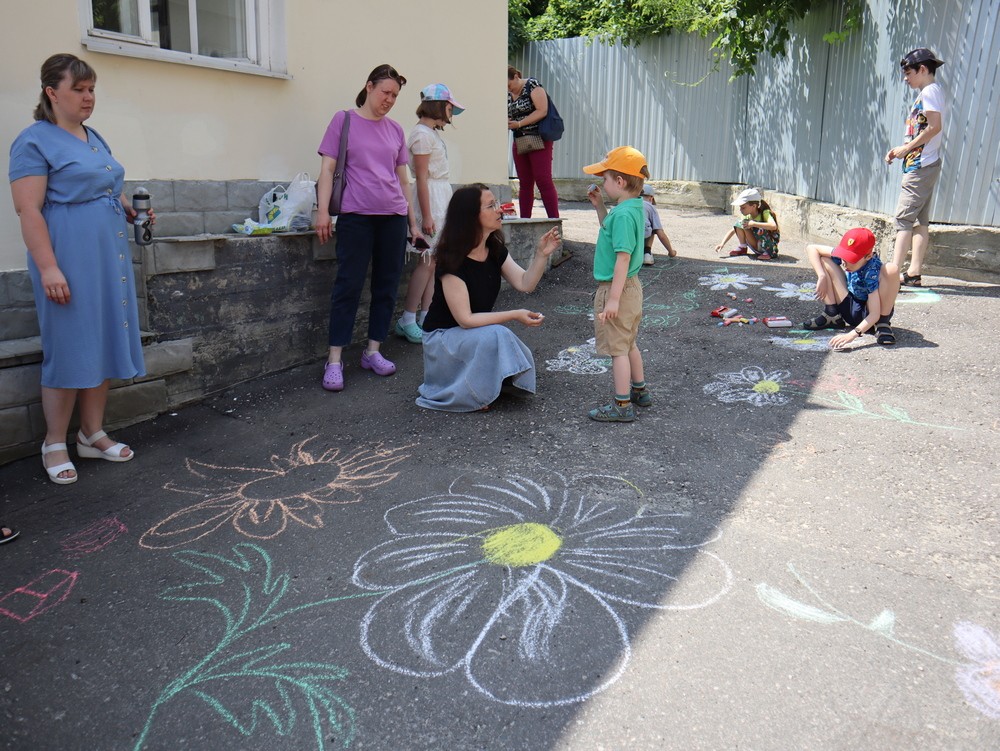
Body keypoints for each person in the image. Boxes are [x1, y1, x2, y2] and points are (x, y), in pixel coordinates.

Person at [9, 53, 148, 485]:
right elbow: (28, 210)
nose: (88, 98)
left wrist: (128, 210)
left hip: (109, 258)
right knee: (70, 346)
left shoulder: (93, 137)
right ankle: (54, 442)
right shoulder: (34, 141)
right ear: (52, 93)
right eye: (79, 90)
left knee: (103, 340)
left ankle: (92, 434)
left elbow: (104, 186)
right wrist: (49, 269)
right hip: (68, 259)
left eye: (91, 90)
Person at [315, 64, 423, 392]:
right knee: (348, 285)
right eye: (385, 92)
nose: (389, 99)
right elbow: (327, 168)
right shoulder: (344, 120)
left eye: (395, 95)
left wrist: (413, 224)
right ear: (369, 87)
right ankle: (334, 359)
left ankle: (372, 351)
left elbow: (404, 180)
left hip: (392, 216)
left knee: (387, 286)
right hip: (356, 217)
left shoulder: (394, 130)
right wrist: (322, 212)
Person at [416, 184, 561, 412]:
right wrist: (514, 314)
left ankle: (485, 386)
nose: (499, 210)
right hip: (442, 339)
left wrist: (541, 255)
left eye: (497, 204)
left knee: (494, 335)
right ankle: (472, 392)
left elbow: (525, 283)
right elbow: (465, 319)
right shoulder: (452, 259)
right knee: (496, 334)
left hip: (469, 335)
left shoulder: (494, 248)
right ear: (471, 216)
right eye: (491, 205)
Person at [583, 146, 652, 423]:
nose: (603, 184)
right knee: (629, 342)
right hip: (631, 287)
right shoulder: (633, 208)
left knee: (617, 349)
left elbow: (622, 257)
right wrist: (600, 206)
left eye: (606, 180)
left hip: (618, 287)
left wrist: (612, 298)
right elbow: (613, 236)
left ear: (620, 182)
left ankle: (622, 405)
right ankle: (639, 390)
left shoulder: (623, 214)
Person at [394, 84, 465, 345]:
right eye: (449, 107)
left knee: (434, 261)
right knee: (426, 261)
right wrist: (426, 216)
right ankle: (408, 318)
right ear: (438, 106)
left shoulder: (430, 134)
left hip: (438, 197)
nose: (451, 113)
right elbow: (421, 179)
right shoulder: (422, 135)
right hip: (430, 201)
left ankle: (426, 315)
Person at [886, 48, 947, 287]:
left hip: (920, 166)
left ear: (922, 69)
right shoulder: (932, 91)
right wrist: (900, 149)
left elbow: (934, 127)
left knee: (903, 220)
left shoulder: (930, 92)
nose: (905, 77)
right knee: (920, 220)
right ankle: (913, 273)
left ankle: (891, 276)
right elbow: (924, 129)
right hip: (925, 163)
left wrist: (905, 149)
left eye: (908, 72)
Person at [801, 227, 900, 348]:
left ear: (868, 256)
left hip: (870, 314)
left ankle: (882, 324)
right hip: (851, 307)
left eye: (851, 259)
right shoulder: (847, 258)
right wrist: (821, 276)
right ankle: (831, 315)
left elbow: (874, 314)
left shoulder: (872, 271)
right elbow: (811, 248)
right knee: (824, 260)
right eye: (844, 256)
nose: (844, 263)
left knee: (891, 269)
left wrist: (852, 335)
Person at [507, 65, 559, 219]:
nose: (509, 89)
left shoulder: (532, 85)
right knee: (525, 184)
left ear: (516, 76)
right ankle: (525, 221)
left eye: (509, 85)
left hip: (539, 139)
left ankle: (554, 221)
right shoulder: (508, 95)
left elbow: (542, 110)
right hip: (519, 140)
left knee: (543, 181)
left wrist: (520, 123)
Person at [715, 187, 780, 260]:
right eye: (740, 207)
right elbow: (734, 229)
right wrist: (722, 244)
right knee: (740, 223)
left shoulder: (765, 213)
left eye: (743, 207)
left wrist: (754, 224)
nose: (740, 210)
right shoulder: (747, 216)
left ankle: (768, 252)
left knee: (759, 228)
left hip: (770, 247)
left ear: (754, 206)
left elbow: (773, 226)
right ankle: (743, 247)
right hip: (756, 246)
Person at [640, 185, 676, 266]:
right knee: (653, 227)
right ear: (651, 198)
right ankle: (647, 253)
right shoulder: (650, 207)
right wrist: (671, 252)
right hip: (642, 234)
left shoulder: (629, 203)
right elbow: (661, 234)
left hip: (626, 236)